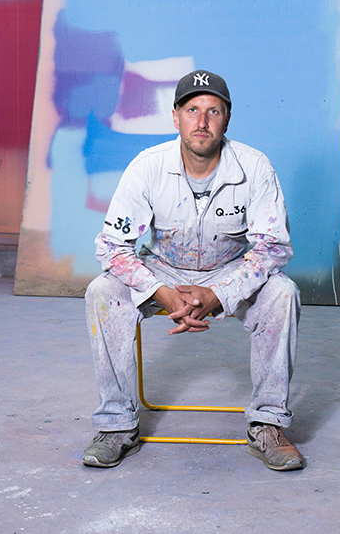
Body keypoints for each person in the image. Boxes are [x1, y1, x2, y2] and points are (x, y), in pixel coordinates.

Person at [83, 69, 303, 471]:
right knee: (102, 292)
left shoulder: (255, 167)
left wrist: (220, 294)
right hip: (162, 270)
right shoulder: (147, 167)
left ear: (227, 119)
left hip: (228, 270)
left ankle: (267, 425)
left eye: (213, 111)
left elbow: (273, 246)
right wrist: (161, 293)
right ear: (175, 117)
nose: (202, 121)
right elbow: (111, 246)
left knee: (283, 293)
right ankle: (116, 426)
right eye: (192, 110)